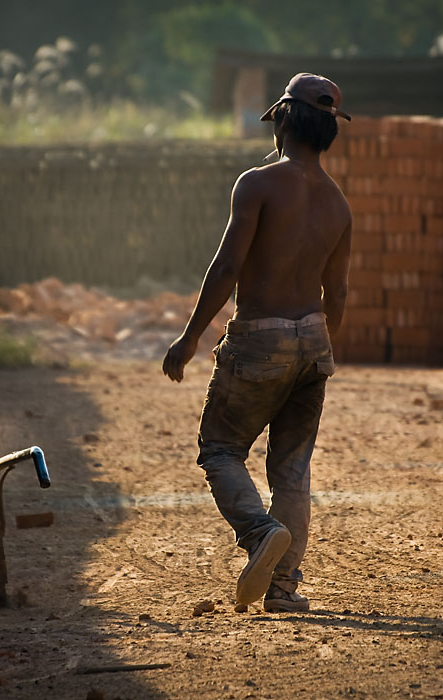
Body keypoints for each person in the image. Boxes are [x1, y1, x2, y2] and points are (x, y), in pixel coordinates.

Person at [162, 73, 352, 612]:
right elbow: (336, 293)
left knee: (220, 450)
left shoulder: (258, 184)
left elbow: (227, 267)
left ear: (284, 120)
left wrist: (190, 336)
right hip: (314, 340)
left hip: (259, 339)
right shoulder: (339, 205)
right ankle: (284, 590)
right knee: (292, 471)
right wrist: (316, 351)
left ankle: (258, 533)